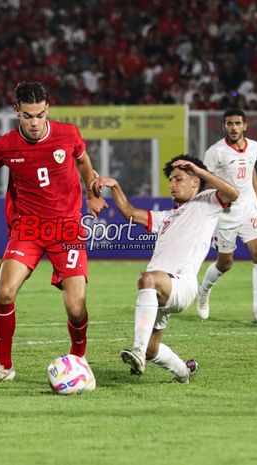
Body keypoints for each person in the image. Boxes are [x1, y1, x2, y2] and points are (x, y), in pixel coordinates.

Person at [0, 81, 107, 391]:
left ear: (47, 110)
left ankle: (79, 360)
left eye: (40, 115)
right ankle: (3, 365)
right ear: (16, 111)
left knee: (75, 305)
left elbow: (82, 161)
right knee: (4, 293)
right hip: (27, 228)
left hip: (66, 228)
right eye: (28, 115)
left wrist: (91, 191)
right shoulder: (6, 145)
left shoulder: (68, 134)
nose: (34, 122)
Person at [91, 155, 239, 382]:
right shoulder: (168, 216)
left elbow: (233, 194)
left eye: (178, 179)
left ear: (194, 182)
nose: (172, 185)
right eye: (170, 180)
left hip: (181, 284)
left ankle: (136, 352)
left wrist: (199, 170)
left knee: (147, 278)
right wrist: (115, 187)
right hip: (161, 289)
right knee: (153, 349)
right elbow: (130, 213)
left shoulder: (207, 203)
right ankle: (183, 372)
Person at [197, 108, 257, 326]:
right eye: (229, 124)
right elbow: (205, 180)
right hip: (226, 214)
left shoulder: (254, 147)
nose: (233, 127)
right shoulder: (216, 152)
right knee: (225, 263)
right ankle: (204, 291)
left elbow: (250, 172)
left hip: (248, 208)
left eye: (237, 123)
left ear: (245, 126)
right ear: (224, 127)